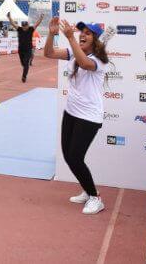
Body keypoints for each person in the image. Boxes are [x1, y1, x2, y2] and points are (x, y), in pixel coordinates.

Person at [44, 17, 110, 215]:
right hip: (71, 112)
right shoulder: (74, 51)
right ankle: (89, 190)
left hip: (89, 117)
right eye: (81, 31)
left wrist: (71, 38)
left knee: (75, 157)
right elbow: (48, 53)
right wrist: (51, 34)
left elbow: (83, 62)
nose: (82, 35)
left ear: (96, 39)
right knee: (68, 156)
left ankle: (96, 198)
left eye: (87, 33)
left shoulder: (99, 61)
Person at [7, 11, 44, 83]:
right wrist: (9, 17)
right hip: (21, 50)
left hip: (28, 49)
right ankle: (25, 69)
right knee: (23, 63)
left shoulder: (31, 29)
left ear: (27, 25)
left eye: (25, 26)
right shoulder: (19, 29)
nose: (24, 28)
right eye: (23, 26)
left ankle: (24, 76)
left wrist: (41, 18)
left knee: (26, 63)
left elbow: (37, 24)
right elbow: (13, 24)